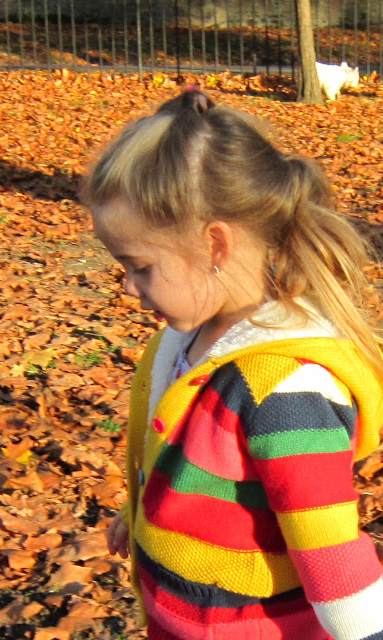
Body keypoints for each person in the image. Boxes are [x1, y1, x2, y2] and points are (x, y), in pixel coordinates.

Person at [87, 88, 383, 640]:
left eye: (140, 265)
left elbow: (331, 552)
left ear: (215, 245)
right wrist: (142, 515)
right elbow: (182, 465)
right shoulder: (188, 343)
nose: (127, 286)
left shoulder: (287, 392)